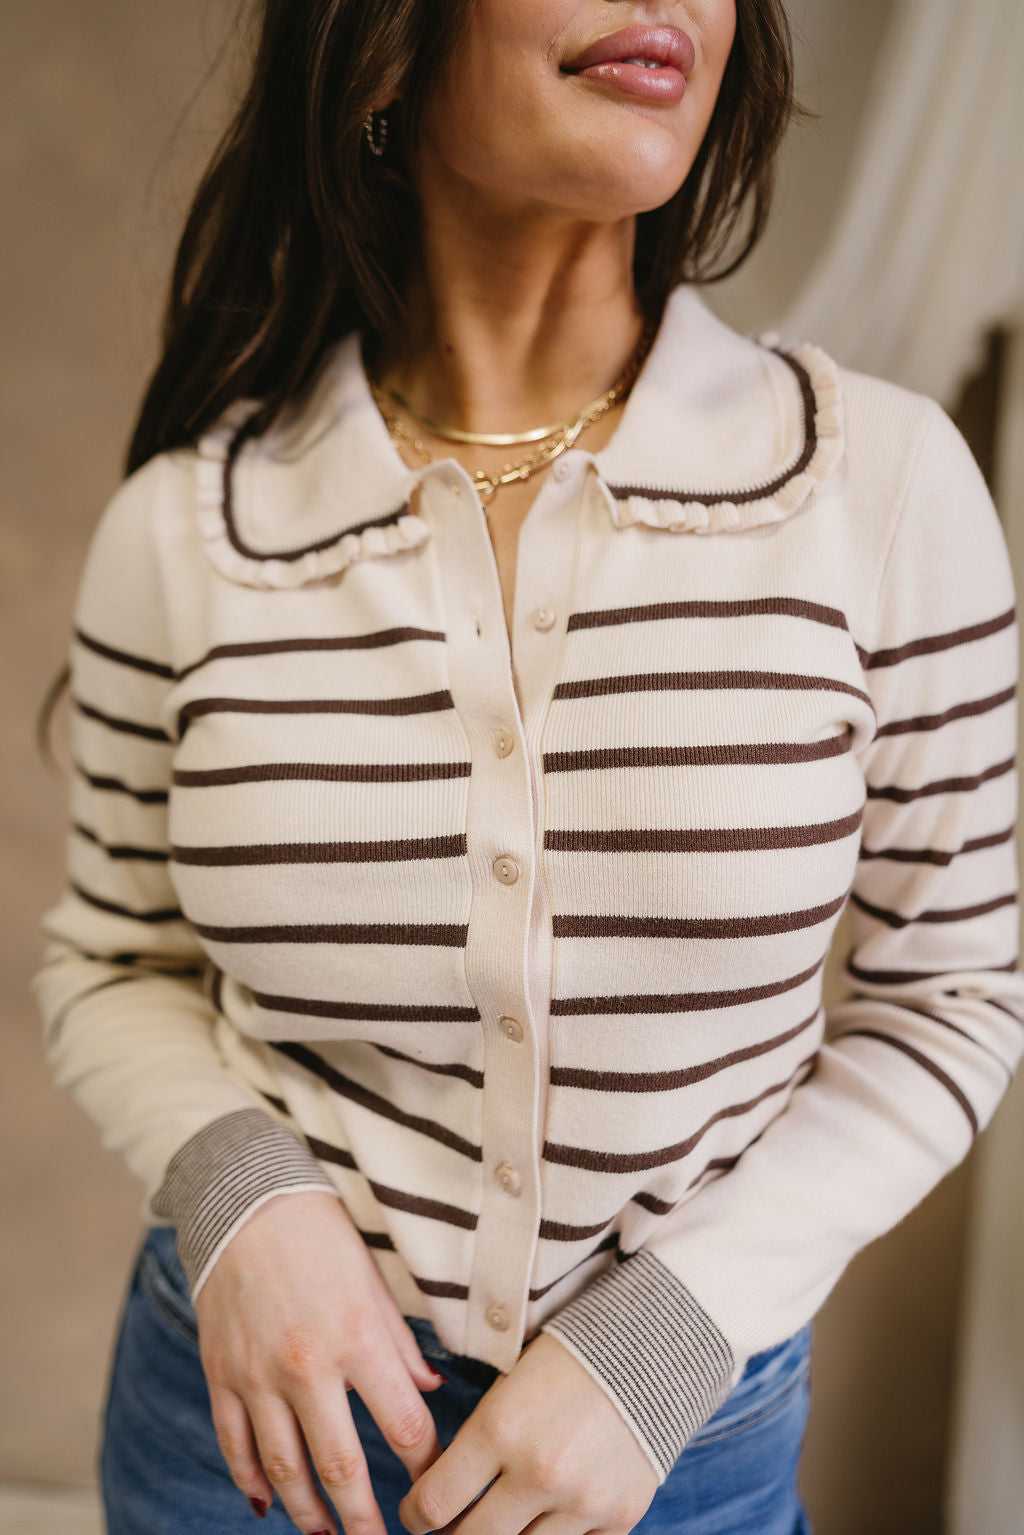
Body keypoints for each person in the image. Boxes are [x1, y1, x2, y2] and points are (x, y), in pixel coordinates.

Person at [32, 1, 1024, 1533]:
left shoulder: (876, 487)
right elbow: (113, 958)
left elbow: (957, 992)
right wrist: (241, 1194)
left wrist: (663, 1338)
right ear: (381, 43)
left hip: (676, 1464)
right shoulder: (190, 526)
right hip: (247, 1439)